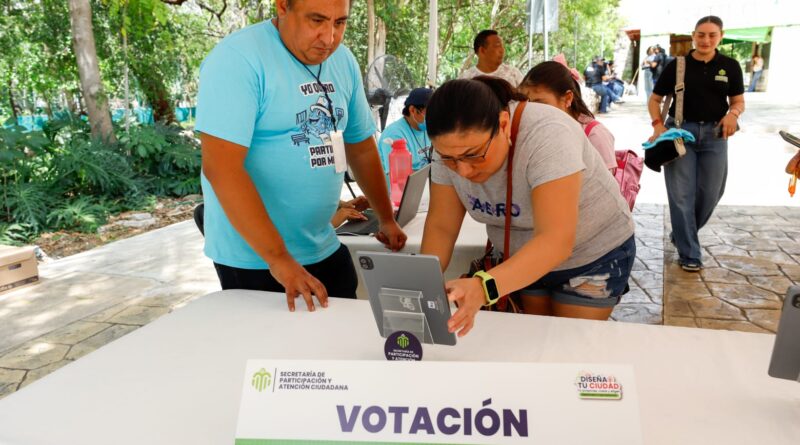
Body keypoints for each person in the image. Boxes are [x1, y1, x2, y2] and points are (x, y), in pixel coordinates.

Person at [196, 0, 406, 312]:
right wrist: (279, 259)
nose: (329, 37)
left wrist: (386, 218)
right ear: (283, 6)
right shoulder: (237, 60)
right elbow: (222, 169)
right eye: (317, 20)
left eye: (340, 23)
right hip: (256, 259)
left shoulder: (343, 61)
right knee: (274, 358)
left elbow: (360, 147)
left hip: (322, 243)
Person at [420, 77, 635, 337]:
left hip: (591, 254)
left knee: (567, 347)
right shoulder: (450, 146)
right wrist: (423, 284)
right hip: (521, 257)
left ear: (503, 124)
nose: (463, 170)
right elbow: (442, 226)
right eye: (450, 160)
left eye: (473, 155)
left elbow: (556, 240)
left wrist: (484, 286)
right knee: (533, 341)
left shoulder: (548, 134)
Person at [648, 15, 744, 272]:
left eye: (712, 35)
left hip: (716, 135)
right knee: (681, 196)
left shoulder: (730, 66)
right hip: (680, 133)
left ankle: (682, 234)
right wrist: (658, 125)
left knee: (711, 193)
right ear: (693, 35)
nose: (706, 39)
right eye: (701, 34)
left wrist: (732, 115)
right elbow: (654, 99)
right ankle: (690, 253)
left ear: (720, 37)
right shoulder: (676, 65)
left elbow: (738, 101)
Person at [520, 60, 618, 173]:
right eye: (528, 103)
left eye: (540, 103)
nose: (533, 111)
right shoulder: (538, 133)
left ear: (567, 98)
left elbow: (604, 185)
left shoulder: (595, 134)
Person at [377, 88, 433, 187]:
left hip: (422, 186)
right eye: (429, 113)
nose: (433, 118)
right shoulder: (394, 135)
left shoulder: (427, 129)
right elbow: (400, 180)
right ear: (412, 110)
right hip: (397, 195)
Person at [459, 30, 524, 86]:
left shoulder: (513, 73)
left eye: (502, 46)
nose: (502, 50)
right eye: (497, 46)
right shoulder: (466, 79)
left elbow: (527, 97)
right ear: (482, 50)